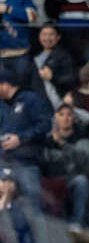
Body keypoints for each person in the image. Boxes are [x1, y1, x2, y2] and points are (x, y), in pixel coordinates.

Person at [0, 68, 51, 210]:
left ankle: (39, 233)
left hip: (27, 164)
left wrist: (20, 139)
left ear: (5, 84)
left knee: (32, 210)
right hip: (3, 164)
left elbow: (45, 125)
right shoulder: (2, 105)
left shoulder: (31, 99)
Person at [41, 103, 89, 232]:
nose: (66, 118)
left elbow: (81, 161)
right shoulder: (45, 140)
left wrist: (62, 143)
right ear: (55, 118)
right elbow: (43, 160)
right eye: (61, 114)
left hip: (71, 179)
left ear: (74, 118)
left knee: (82, 181)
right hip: (50, 180)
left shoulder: (82, 137)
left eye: (69, 115)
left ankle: (76, 224)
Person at [0, 166, 44, 243]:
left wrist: (5, 198)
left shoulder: (24, 206)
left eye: (9, 181)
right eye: (3, 180)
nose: (5, 184)